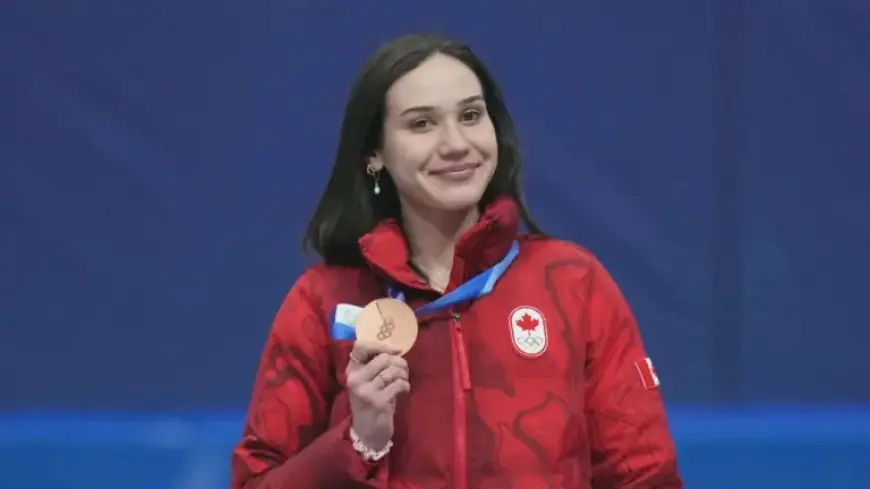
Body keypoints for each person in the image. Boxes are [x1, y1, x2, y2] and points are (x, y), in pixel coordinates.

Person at [229, 33, 683, 489]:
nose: (456, 144)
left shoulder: (572, 283)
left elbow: (646, 477)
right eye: (422, 124)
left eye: (470, 116)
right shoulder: (323, 301)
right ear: (375, 154)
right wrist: (357, 440)